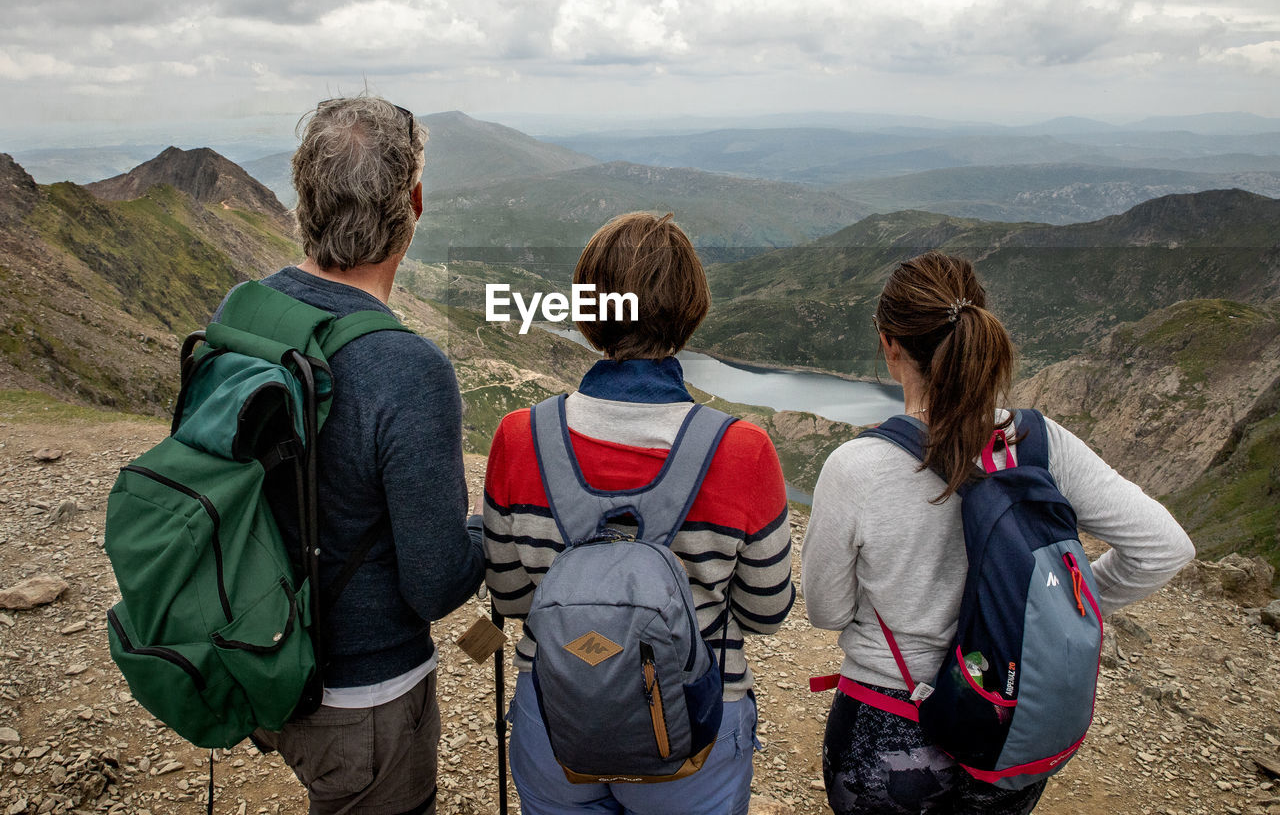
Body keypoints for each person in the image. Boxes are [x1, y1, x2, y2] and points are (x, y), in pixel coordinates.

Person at [801, 251, 1195, 815]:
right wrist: (1053, 605)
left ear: (889, 344)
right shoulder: (1040, 442)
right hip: (1010, 718)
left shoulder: (855, 467)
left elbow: (828, 612)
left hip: (891, 720)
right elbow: (1164, 548)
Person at [483, 211, 796, 815]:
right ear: (690, 310)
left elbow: (514, 600)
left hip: (556, 712)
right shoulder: (742, 450)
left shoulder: (519, 437)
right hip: (694, 729)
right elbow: (765, 613)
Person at [247, 97, 484, 815]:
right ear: (412, 204)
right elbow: (436, 585)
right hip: (363, 697)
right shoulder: (406, 367)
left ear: (304, 199)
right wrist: (489, 525)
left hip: (258, 658)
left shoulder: (245, 313)